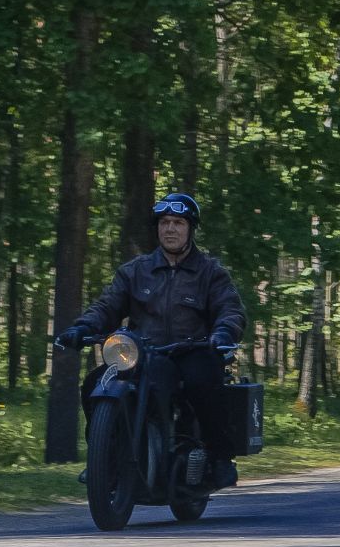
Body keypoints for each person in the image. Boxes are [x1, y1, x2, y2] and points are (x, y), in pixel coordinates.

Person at [54, 192, 247, 489]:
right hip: (142, 352)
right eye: (165, 222)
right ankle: (104, 459)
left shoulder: (210, 272)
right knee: (94, 383)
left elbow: (230, 310)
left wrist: (223, 334)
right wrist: (81, 329)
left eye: (178, 223)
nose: (170, 229)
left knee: (203, 381)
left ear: (190, 228)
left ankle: (218, 458)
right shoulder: (135, 271)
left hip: (191, 349)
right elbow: (107, 307)